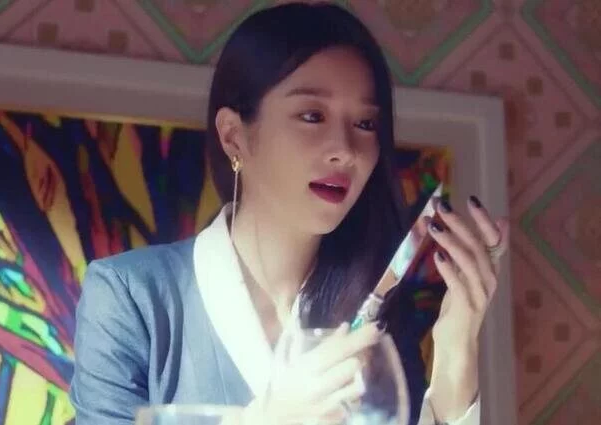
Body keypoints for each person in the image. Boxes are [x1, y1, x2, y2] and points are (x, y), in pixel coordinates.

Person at [68, 2, 509, 425]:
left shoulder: (379, 322)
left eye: (365, 124)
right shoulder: (129, 297)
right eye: (312, 115)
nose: (345, 150)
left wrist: (455, 356)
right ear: (234, 136)